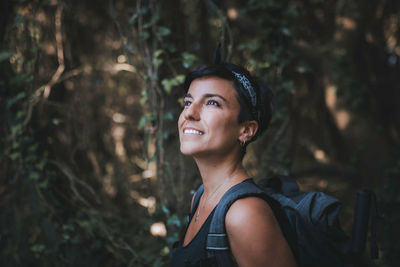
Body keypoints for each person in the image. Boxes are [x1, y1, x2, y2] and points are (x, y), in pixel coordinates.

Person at [170, 61, 297, 267]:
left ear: (246, 130)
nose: (189, 113)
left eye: (212, 103)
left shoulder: (244, 214)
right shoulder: (200, 198)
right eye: (187, 102)